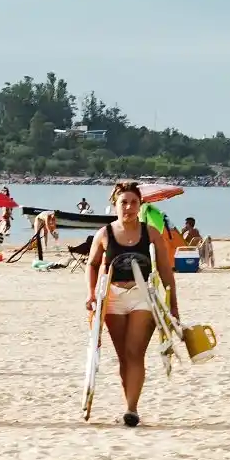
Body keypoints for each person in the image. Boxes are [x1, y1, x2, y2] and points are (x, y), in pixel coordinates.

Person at [85, 180, 179, 428]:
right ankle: (129, 403)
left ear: (140, 205)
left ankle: (132, 409)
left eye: (133, 203)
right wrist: (91, 294)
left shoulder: (151, 233)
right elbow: (92, 264)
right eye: (123, 202)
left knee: (135, 353)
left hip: (142, 295)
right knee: (123, 357)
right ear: (115, 205)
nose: (128, 207)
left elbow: (166, 271)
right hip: (113, 297)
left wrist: (173, 306)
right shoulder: (104, 233)